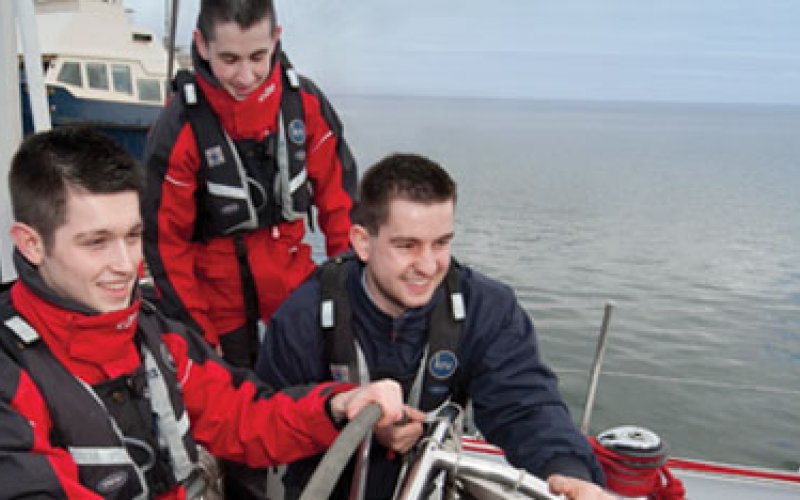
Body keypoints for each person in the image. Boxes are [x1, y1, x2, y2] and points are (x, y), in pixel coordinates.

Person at [0, 127, 410, 499]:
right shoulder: (11, 371)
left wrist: (339, 405)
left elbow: (243, 415)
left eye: (133, 236)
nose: (126, 265)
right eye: (96, 243)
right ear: (31, 244)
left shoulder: (153, 335)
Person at [256, 153, 614, 499]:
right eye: (407, 245)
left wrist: (569, 473)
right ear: (363, 243)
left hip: (430, 485)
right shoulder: (305, 314)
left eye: (441, 243)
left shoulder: (486, 309)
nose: (428, 266)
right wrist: (347, 421)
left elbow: (525, 405)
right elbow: (267, 421)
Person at [142, 0, 356, 368]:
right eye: (229, 59)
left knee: (316, 406)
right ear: (202, 45)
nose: (245, 76)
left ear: (276, 39)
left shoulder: (304, 105)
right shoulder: (178, 129)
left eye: (257, 56)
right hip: (216, 311)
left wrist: (350, 304)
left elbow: (343, 214)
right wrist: (198, 336)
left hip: (295, 299)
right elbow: (165, 246)